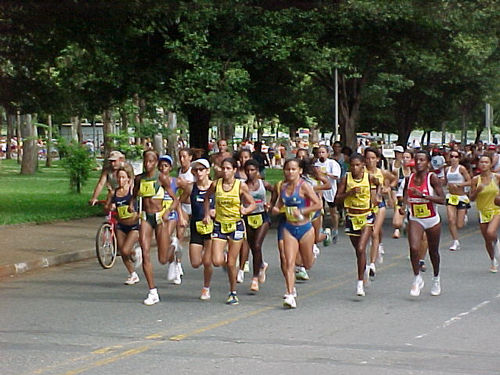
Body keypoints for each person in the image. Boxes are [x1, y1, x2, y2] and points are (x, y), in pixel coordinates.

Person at [203, 158, 256, 305]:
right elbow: (206, 198)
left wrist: (245, 210)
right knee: (217, 260)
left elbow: (252, 203)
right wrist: (207, 214)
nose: (225, 171)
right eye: (223, 168)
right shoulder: (215, 184)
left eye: (228, 168)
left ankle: (233, 292)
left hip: (235, 226)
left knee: (232, 264)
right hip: (220, 225)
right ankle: (226, 259)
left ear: (234, 170)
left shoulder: (241, 186)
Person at [130, 150, 179, 305]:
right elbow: (134, 195)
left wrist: (168, 212)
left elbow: (175, 200)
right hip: (146, 217)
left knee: (162, 259)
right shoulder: (139, 179)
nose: (148, 164)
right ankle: (152, 292)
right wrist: (132, 206)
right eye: (146, 161)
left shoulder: (161, 178)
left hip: (159, 218)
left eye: (151, 161)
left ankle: (173, 250)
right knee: (145, 253)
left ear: (156, 162)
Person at [271, 158, 322, 308]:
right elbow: (279, 204)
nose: (290, 172)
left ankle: (313, 251)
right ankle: (290, 293)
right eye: (287, 169)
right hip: (289, 228)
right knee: (288, 262)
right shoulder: (283, 187)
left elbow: (317, 204)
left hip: (305, 228)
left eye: (293, 169)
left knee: (307, 264)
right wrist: (274, 209)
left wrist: (302, 211)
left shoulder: (304, 186)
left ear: (300, 171)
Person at [401, 150, 445, 297]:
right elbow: (405, 194)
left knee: (433, 252)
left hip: (432, 219)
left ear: (428, 163)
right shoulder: (410, 178)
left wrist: (424, 196)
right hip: (416, 218)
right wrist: (402, 206)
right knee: (414, 248)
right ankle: (417, 278)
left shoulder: (432, 178)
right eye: (417, 160)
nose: (419, 163)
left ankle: (436, 279)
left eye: (422, 160)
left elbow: (442, 199)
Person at [336, 153, 380, 297]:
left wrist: (377, 198)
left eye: (358, 165)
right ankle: (365, 268)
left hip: (366, 215)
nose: (355, 168)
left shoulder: (369, 178)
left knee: (362, 247)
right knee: (358, 251)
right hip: (351, 216)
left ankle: (359, 283)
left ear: (363, 166)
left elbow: (379, 186)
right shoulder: (346, 179)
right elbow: (337, 198)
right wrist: (349, 193)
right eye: (352, 165)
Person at [179, 158, 215, 300]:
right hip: (196, 226)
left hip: (212, 228)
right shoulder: (190, 187)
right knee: (195, 263)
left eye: (202, 170)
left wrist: (215, 212)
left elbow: (226, 204)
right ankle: (218, 255)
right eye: (196, 170)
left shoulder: (215, 187)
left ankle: (206, 288)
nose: (199, 173)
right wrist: (181, 216)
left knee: (207, 262)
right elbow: (178, 201)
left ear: (207, 171)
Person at [105, 165, 142, 285]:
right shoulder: (114, 193)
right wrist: (110, 206)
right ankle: (132, 274)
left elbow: (142, 203)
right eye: (119, 178)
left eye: (123, 177)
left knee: (126, 250)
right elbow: (107, 207)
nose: (120, 180)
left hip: (134, 225)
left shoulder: (132, 191)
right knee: (122, 251)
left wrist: (135, 209)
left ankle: (135, 253)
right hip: (121, 225)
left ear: (128, 178)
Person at [243, 159, 274, 292]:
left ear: (257, 171)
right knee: (253, 247)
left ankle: (255, 278)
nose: (250, 173)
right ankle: (261, 265)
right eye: (248, 170)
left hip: (262, 216)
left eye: (253, 170)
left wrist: (271, 204)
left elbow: (275, 191)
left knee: (257, 245)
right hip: (248, 217)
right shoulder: (242, 186)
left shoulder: (263, 184)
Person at [470, 155, 500, 272]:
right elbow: (471, 198)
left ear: (491, 164)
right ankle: (493, 260)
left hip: (496, 209)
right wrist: (477, 191)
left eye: (486, 162)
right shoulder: (475, 180)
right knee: (487, 239)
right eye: (481, 162)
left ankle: (497, 240)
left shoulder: (497, 178)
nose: (483, 164)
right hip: (483, 211)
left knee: (490, 232)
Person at [444, 150, 471, 251]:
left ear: (459, 158)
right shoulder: (447, 169)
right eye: (452, 156)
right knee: (451, 220)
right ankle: (455, 241)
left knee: (460, 224)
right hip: (451, 196)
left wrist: (460, 185)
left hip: (461, 197)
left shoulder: (461, 169)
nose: (454, 159)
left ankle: (464, 216)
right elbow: (445, 182)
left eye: (456, 157)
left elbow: (470, 181)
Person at [315, 145, 341, 244]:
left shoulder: (332, 163)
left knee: (333, 211)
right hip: (319, 190)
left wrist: (326, 173)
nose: (321, 154)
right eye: (319, 152)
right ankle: (320, 229)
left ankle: (335, 229)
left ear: (327, 153)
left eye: (323, 152)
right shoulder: (315, 164)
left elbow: (336, 176)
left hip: (330, 190)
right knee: (320, 210)